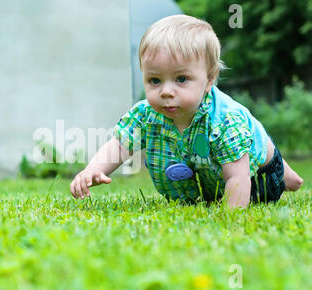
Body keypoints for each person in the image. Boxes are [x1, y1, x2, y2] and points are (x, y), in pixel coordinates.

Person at [69, 15, 303, 208]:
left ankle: (285, 175)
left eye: (181, 79)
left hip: (256, 179)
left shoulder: (225, 122)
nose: (166, 91)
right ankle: (288, 174)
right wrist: (93, 169)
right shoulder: (145, 115)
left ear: (209, 79)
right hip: (208, 179)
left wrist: (230, 218)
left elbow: (237, 177)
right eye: (154, 80)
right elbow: (119, 145)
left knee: (265, 154)